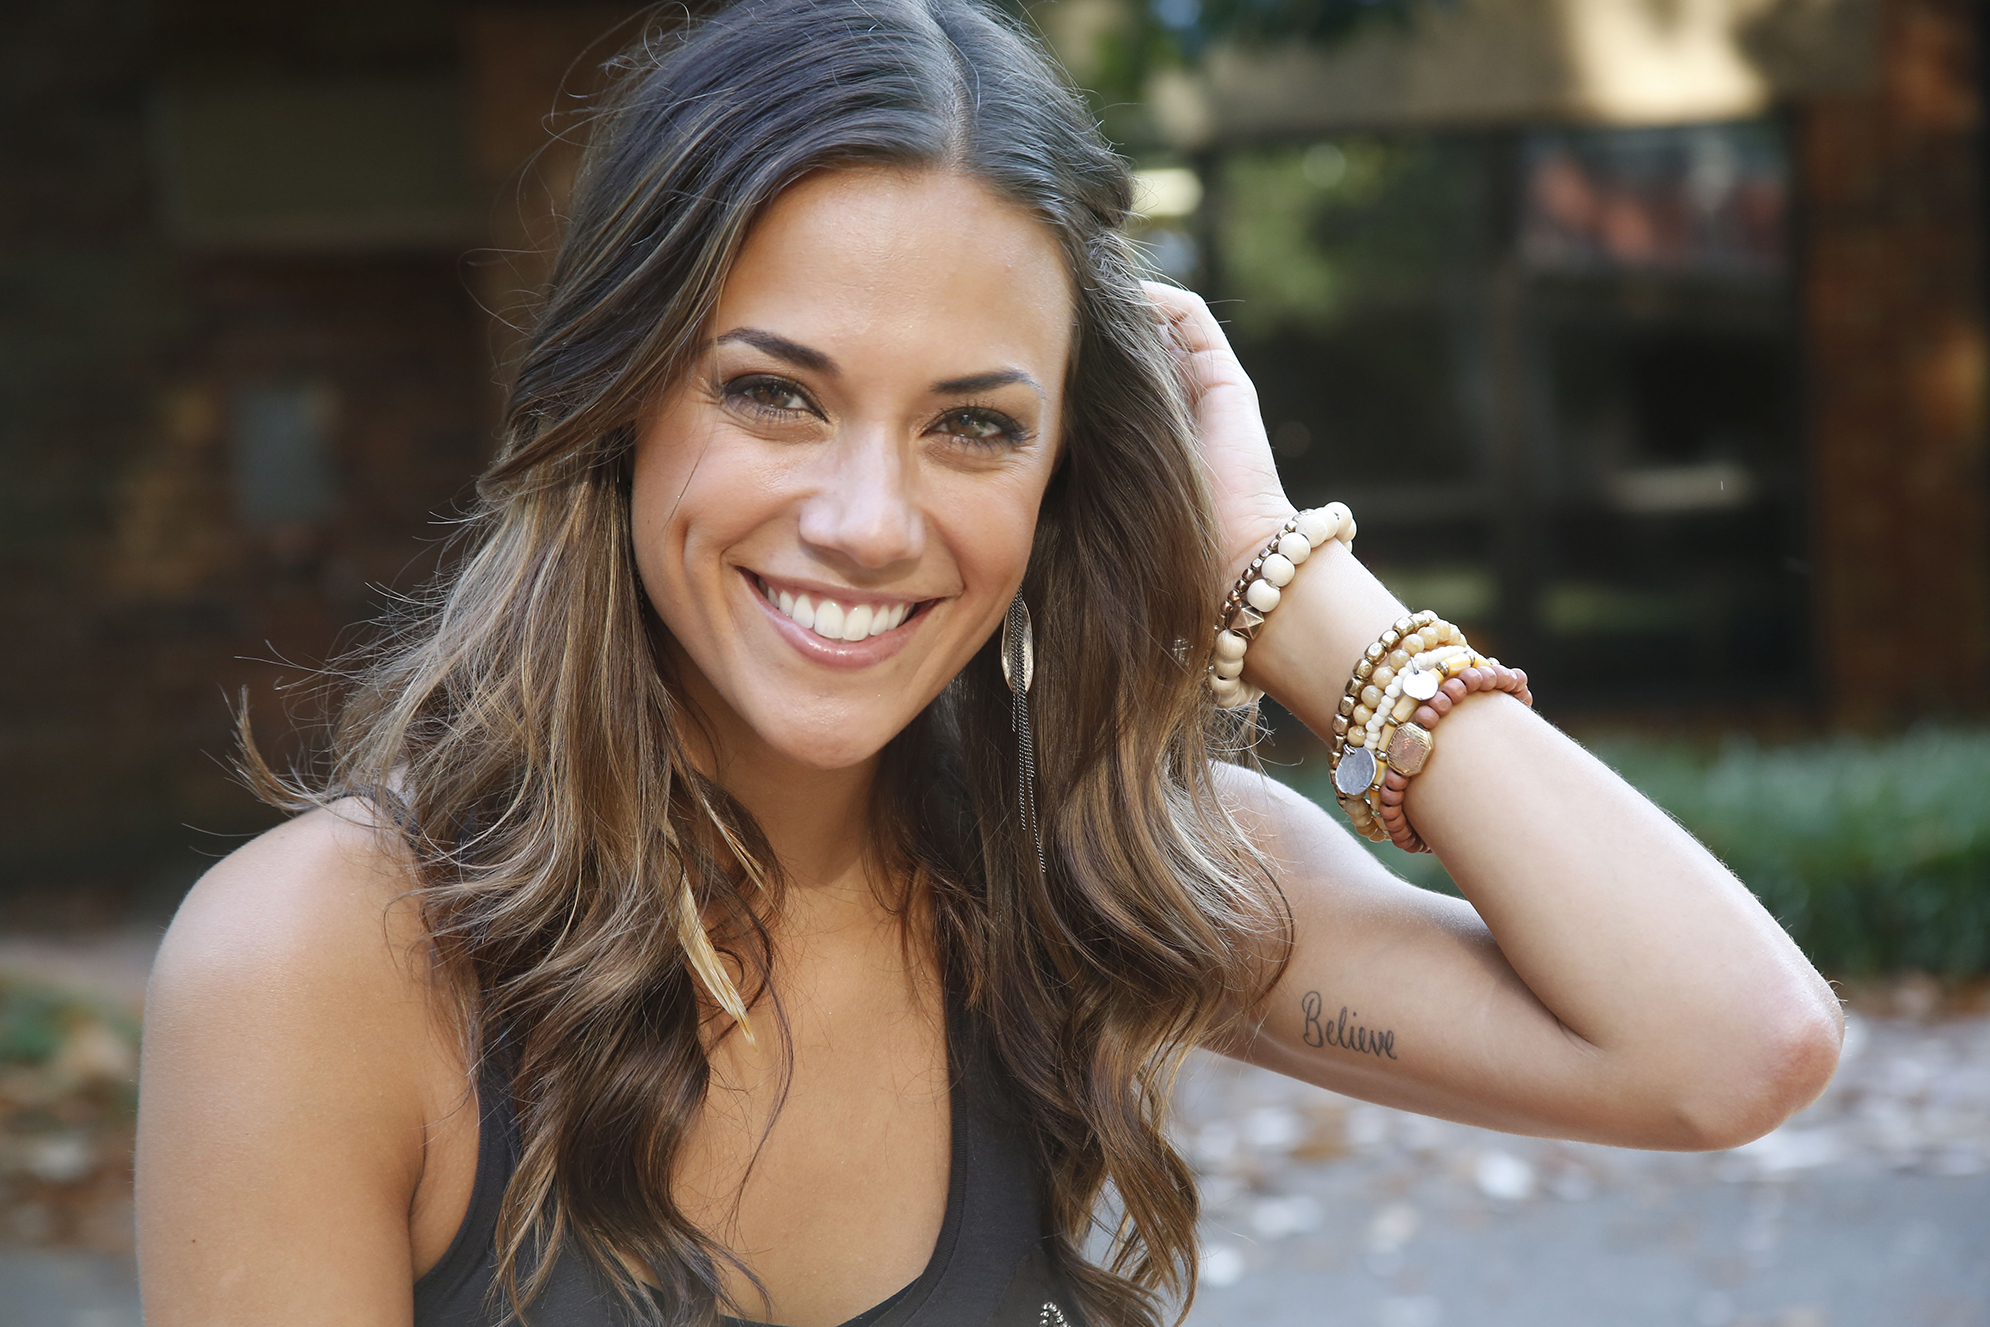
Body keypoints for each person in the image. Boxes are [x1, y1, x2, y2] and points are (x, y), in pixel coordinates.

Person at [132, 0, 1844, 1323]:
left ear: (1065, 477)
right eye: (772, 394)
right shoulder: (334, 964)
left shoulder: (1084, 872)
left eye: (973, 426)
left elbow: (1729, 1050)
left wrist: (1280, 583)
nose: (869, 519)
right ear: (621, 403)